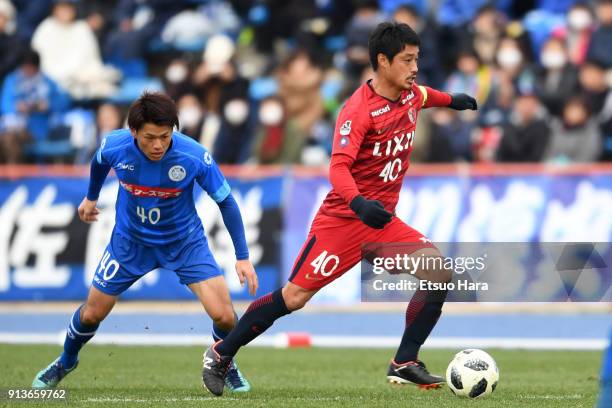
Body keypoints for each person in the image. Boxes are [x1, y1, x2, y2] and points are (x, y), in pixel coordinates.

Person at [202, 22, 477, 396]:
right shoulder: (357, 110)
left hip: (382, 223)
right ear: (383, 61)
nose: (415, 68)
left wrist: (454, 99)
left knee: (439, 274)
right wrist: (359, 203)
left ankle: (404, 360)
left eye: (417, 59)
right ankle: (221, 352)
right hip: (344, 221)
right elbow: (338, 168)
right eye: (408, 60)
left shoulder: (411, 95)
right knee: (293, 298)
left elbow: (428, 95)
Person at [31, 92, 258, 393]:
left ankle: (222, 361)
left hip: (184, 243)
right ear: (134, 132)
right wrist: (91, 196)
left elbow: (226, 202)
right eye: (150, 137)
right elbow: (99, 163)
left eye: (165, 137)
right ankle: (66, 360)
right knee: (92, 313)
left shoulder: (193, 156)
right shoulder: (116, 146)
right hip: (130, 243)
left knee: (226, 316)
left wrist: (242, 256)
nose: (158, 145)